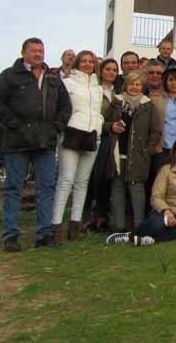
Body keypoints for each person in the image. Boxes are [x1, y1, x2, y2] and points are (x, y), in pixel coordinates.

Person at [0, 38, 72, 251]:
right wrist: (15, 124)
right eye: (33, 50)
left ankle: (44, 234)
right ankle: (10, 237)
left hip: (45, 142)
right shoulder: (9, 75)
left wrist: (57, 127)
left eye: (41, 50)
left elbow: (65, 106)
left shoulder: (53, 78)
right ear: (23, 52)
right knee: (13, 188)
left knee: (46, 188)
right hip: (17, 142)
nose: (38, 54)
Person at [107, 138, 176, 246]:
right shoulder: (166, 170)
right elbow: (156, 196)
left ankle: (152, 240)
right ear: (174, 153)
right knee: (158, 223)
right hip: (168, 212)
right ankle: (130, 236)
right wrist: (167, 211)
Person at [53, 50, 104, 242]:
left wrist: (99, 124)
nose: (87, 64)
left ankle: (74, 225)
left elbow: (97, 110)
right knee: (66, 180)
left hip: (92, 135)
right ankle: (56, 225)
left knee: (82, 182)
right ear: (77, 63)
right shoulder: (67, 83)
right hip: (72, 134)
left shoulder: (98, 87)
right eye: (83, 61)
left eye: (91, 61)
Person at [103, 71, 160, 232]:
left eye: (137, 84)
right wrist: (111, 126)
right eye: (131, 84)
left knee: (137, 189)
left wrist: (147, 151)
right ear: (125, 85)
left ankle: (139, 226)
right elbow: (104, 122)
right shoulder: (117, 102)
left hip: (138, 155)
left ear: (142, 87)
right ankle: (119, 226)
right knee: (117, 188)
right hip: (117, 152)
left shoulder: (148, 105)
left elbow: (155, 131)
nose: (134, 87)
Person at [84, 58, 120, 232]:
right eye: (108, 69)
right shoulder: (94, 90)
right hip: (95, 138)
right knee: (91, 178)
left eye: (114, 70)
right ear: (101, 71)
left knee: (106, 178)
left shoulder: (117, 93)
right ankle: (86, 217)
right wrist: (108, 126)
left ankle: (102, 216)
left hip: (112, 141)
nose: (111, 72)